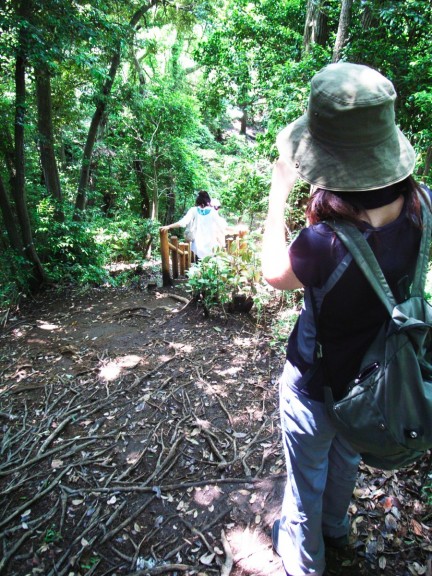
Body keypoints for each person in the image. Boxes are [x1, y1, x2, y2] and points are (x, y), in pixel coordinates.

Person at [261, 62, 431, 576]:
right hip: (375, 383)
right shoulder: (423, 205)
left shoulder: (322, 243)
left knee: (305, 477)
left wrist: (278, 190)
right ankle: (336, 529)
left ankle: (303, 561)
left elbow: (273, 273)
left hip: (316, 382)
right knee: (345, 460)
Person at [160, 190, 227, 260]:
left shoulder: (193, 210)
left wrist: (168, 226)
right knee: (209, 266)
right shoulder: (213, 212)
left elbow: (183, 222)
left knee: (199, 265)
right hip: (211, 245)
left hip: (198, 245)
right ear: (208, 201)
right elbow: (221, 227)